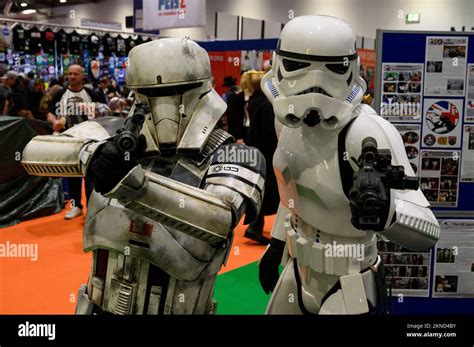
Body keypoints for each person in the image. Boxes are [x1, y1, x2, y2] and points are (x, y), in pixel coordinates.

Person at [22, 38, 266, 315]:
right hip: (98, 304)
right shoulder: (114, 133)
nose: (165, 106)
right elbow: (33, 151)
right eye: (148, 92)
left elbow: (219, 219)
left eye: (178, 91)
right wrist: (92, 155)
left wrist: (135, 186)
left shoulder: (235, 154)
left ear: (201, 90)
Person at [258, 15, 440, 314]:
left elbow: (429, 233)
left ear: (350, 69)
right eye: (297, 66)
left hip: (349, 282)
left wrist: (387, 213)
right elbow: (292, 196)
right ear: (279, 64)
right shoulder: (288, 126)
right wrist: (276, 243)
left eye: (334, 69)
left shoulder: (365, 133)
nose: (314, 85)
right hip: (296, 269)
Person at [47, 64, 103, 220]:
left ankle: (93, 208)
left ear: (82, 76)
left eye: (75, 74)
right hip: (69, 138)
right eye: (69, 74)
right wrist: (54, 122)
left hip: (90, 139)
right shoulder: (60, 94)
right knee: (72, 174)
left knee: (91, 175)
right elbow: (50, 113)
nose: (71, 77)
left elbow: (104, 111)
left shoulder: (91, 93)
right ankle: (76, 206)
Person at [244, 71, 279, 244]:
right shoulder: (267, 105)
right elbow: (269, 132)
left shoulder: (253, 101)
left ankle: (255, 225)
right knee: (269, 189)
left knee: (261, 187)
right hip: (267, 152)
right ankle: (255, 226)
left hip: (256, 149)